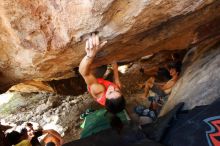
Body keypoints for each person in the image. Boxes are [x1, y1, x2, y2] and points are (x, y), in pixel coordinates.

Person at [79, 33, 126, 114]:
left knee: (98, 67)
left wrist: (90, 55)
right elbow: (117, 81)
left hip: (94, 81)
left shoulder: (99, 91)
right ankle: (105, 73)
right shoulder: (116, 92)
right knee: (104, 67)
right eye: (117, 91)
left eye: (110, 92)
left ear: (106, 97)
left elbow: (84, 73)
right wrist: (114, 65)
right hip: (100, 82)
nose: (113, 88)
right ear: (121, 93)